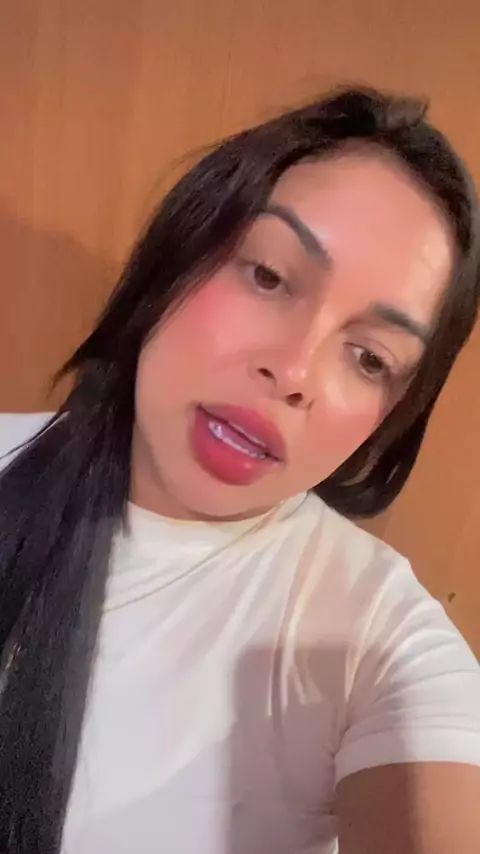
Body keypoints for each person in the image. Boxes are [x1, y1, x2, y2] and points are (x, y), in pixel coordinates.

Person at [0, 86, 480, 854]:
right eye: (268, 276)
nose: (294, 371)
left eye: (369, 358)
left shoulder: (372, 639)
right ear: (180, 250)